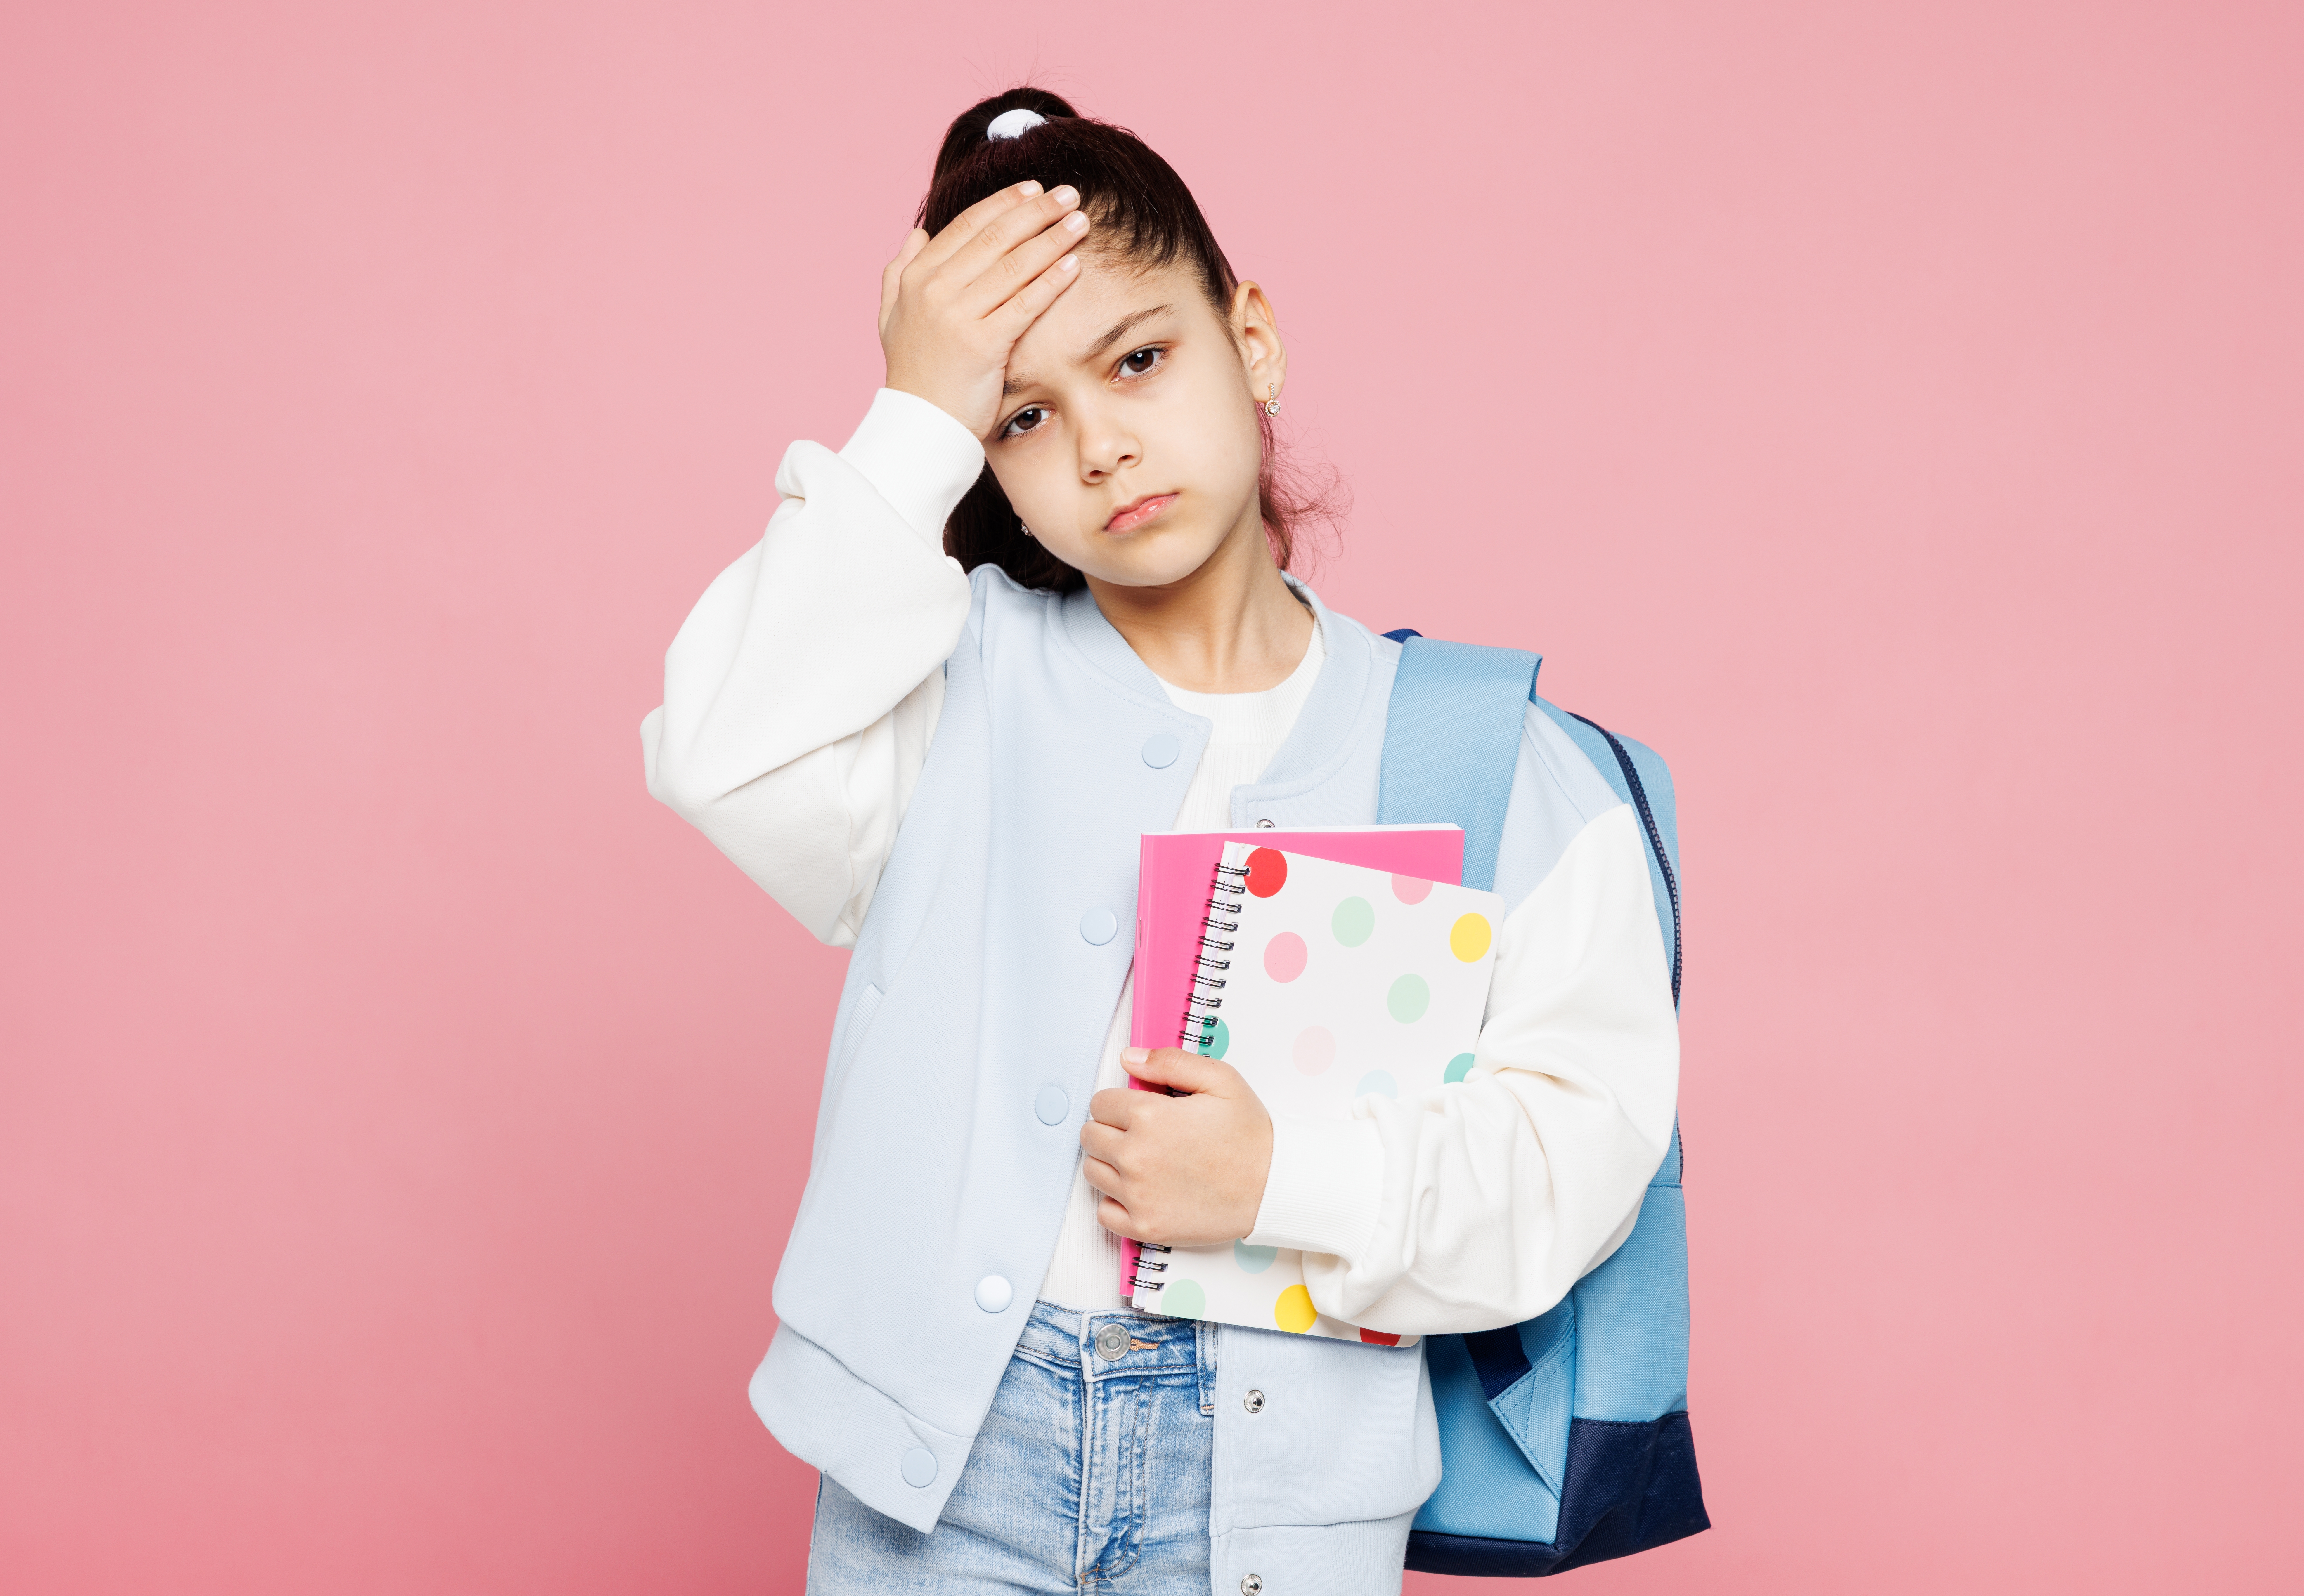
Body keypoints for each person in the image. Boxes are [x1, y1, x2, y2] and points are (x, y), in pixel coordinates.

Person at [640, 87, 1678, 1596]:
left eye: (1140, 359)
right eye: (1025, 415)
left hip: (1285, 1501)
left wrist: (1283, 1178)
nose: (1105, 448)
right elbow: (721, 744)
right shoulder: (942, 686)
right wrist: (914, 415)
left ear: (1251, 335)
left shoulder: (1495, 757)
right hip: (943, 1473)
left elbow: (1580, 1152)